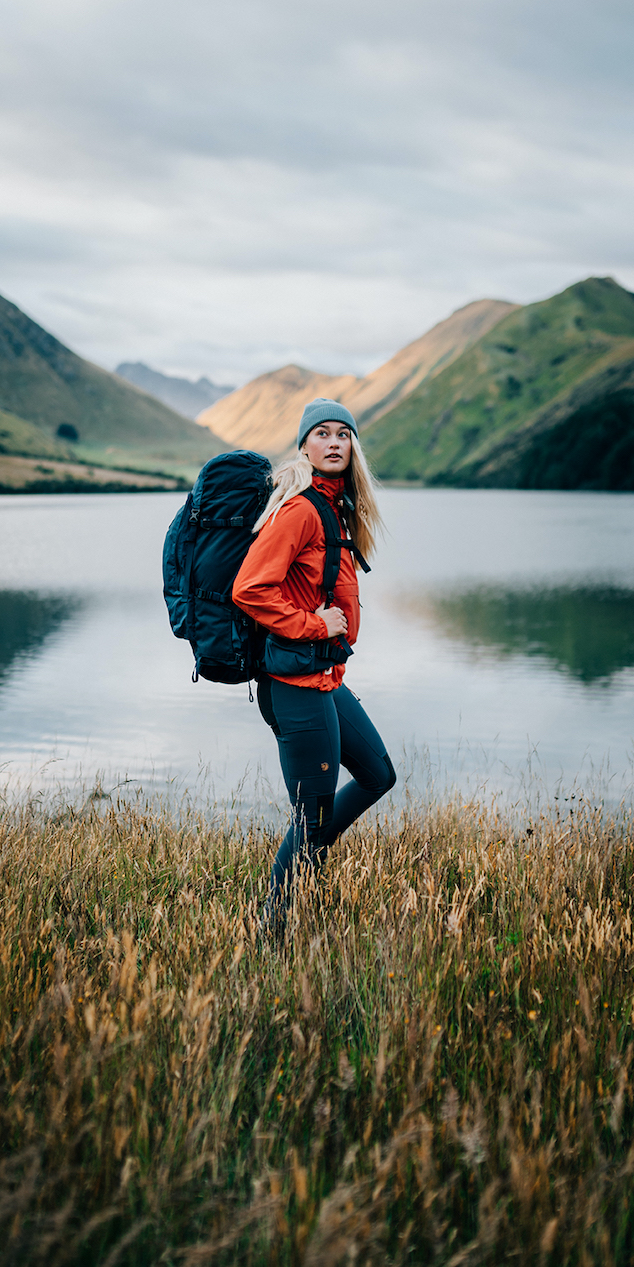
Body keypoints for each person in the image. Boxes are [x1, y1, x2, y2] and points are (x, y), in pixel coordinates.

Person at [232, 398, 397, 933]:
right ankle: (271, 934)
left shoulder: (335, 509)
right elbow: (249, 589)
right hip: (294, 683)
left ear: (353, 448)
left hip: (324, 679)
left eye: (343, 434)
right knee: (313, 817)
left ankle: (305, 867)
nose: (333, 443)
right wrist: (313, 625)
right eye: (321, 434)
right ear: (304, 446)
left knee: (377, 774)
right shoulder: (301, 509)